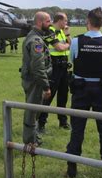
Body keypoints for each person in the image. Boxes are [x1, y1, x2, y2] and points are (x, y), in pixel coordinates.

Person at [65, 8, 102, 178]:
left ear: (88, 21)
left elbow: (72, 60)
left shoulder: (76, 41)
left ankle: (72, 168)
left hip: (81, 89)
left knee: (77, 129)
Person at [20, 11, 52, 146]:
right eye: (48, 21)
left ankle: (33, 138)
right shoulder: (36, 40)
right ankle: (30, 142)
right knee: (32, 111)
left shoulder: (35, 36)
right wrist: (46, 86)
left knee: (34, 110)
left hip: (33, 80)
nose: (50, 24)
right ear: (40, 22)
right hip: (35, 82)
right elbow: (38, 67)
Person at [37, 12, 71, 133]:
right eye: (65, 21)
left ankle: (63, 122)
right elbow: (60, 48)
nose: (66, 23)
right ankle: (41, 123)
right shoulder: (49, 31)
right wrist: (66, 44)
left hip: (64, 67)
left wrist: (68, 35)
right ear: (59, 20)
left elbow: (69, 44)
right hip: (54, 67)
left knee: (63, 96)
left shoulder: (62, 31)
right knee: (48, 96)